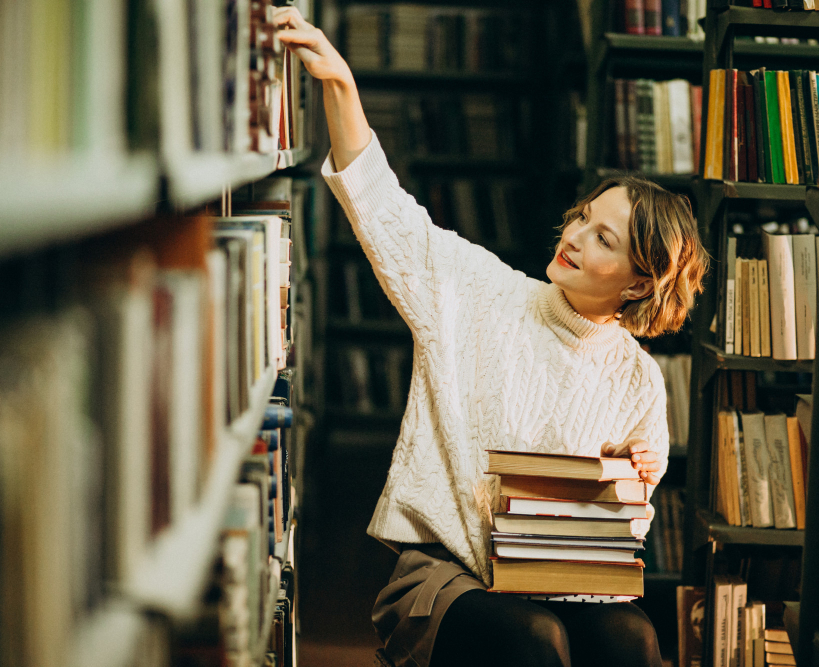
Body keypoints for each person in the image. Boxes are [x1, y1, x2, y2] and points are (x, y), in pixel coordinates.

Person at [275, 7, 708, 667]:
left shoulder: (637, 377)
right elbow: (385, 211)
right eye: (584, 217)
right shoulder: (479, 291)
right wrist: (340, 84)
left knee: (637, 641)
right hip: (445, 576)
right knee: (535, 642)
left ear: (639, 283)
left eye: (603, 239)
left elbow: (628, 525)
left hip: (559, 585)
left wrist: (626, 483)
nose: (573, 237)